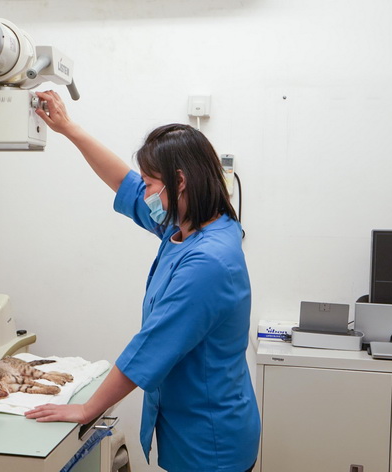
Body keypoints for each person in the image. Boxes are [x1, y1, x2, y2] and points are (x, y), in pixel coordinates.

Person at [25, 90, 261, 472]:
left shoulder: (208, 261)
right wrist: (68, 128)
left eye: (151, 183)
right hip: (195, 425)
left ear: (179, 182)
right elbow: (124, 182)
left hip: (211, 441)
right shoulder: (188, 227)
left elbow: (152, 347)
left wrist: (87, 409)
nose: (145, 192)